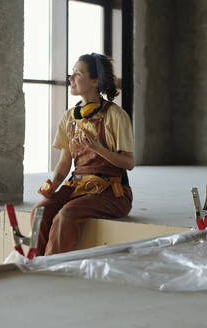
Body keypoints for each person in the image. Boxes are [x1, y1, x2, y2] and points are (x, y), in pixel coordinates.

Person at [32, 53, 134, 256]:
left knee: (66, 214)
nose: (71, 78)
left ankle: (53, 271)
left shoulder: (116, 116)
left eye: (77, 74)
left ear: (95, 81)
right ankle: (34, 266)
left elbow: (129, 163)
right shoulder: (69, 117)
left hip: (111, 192)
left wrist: (99, 149)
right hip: (78, 186)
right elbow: (64, 161)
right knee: (40, 212)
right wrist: (53, 185)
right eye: (72, 73)